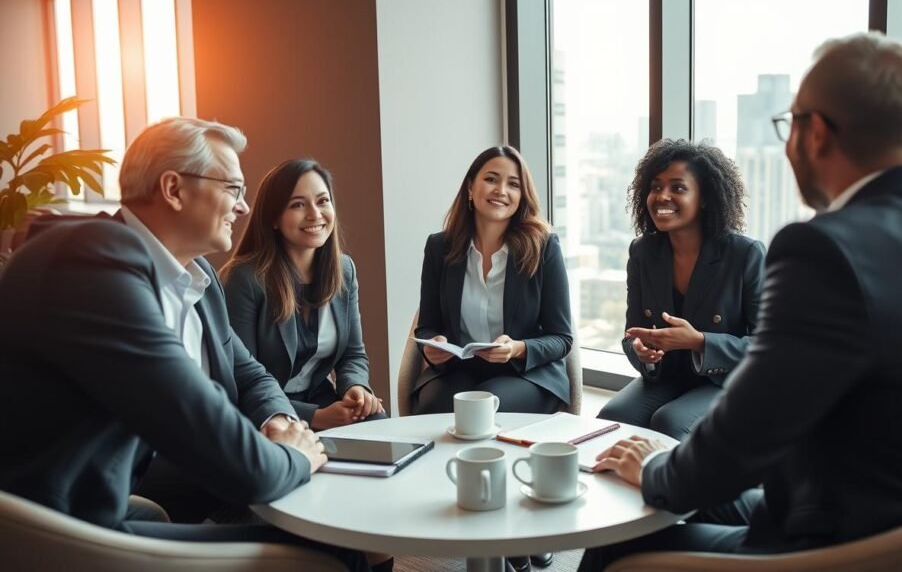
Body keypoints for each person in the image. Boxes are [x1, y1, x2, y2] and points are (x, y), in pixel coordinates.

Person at [579, 32, 902, 570]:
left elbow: (743, 437)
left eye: (790, 123)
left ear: (817, 134)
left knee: (616, 536)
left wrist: (654, 470)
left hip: (848, 543)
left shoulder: (823, 248)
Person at [0, 117, 368, 572]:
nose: (244, 206)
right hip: (52, 526)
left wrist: (279, 421)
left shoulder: (197, 276)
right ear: (174, 189)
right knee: (333, 552)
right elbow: (234, 458)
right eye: (233, 188)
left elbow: (248, 371)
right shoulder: (93, 261)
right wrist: (292, 454)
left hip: (103, 497)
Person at [596, 139, 764, 439]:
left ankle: (669, 487)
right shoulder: (643, 252)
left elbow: (767, 347)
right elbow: (632, 332)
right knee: (613, 417)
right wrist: (641, 351)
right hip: (667, 377)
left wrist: (700, 342)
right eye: (656, 187)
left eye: (678, 188)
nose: (662, 196)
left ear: (704, 197)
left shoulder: (745, 254)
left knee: (671, 422)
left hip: (726, 381)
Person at [221, 158, 385, 431]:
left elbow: (353, 355)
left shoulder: (344, 269)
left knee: (377, 423)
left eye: (322, 201)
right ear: (273, 217)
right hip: (266, 410)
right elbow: (240, 381)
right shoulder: (245, 279)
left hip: (321, 398)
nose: (315, 214)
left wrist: (355, 387)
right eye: (298, 205)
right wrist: (315, 417)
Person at [413, 145, 572, 417]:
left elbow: (561, 338)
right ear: (470, 188)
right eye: (491, 179)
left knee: (485, 408)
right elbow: (427, 326)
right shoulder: (439, 247)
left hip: (525, 374)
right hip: (459, 370)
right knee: (436, 406)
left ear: (522, 196)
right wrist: (432, 346)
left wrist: (516, 349)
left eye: (513, 184)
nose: (501, 190)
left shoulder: (544, 247)